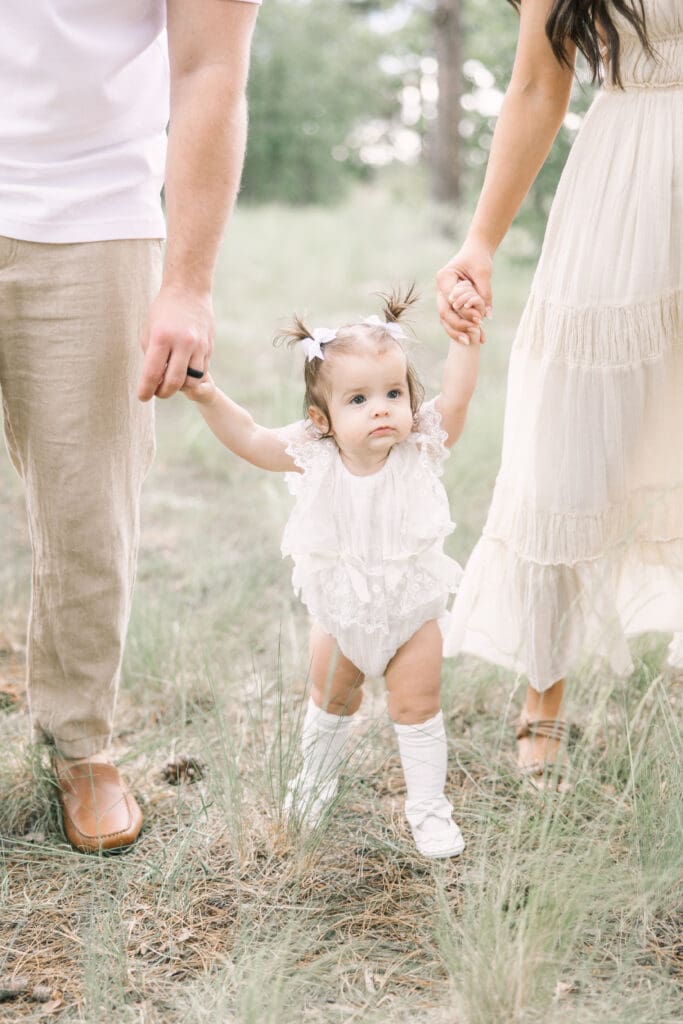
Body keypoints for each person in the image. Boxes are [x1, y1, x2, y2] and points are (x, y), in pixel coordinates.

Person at [0, 0, 260, 852]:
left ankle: (80, 748)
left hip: (91, 220)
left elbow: (209, 72)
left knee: (87, 507)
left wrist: (186, 284)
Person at [436, 0, 682, 785]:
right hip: (627, 179)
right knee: (572, 433)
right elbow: (539, 86)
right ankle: (543, 693)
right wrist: (480, 240)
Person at [182, 285, 483, 857]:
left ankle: (428, 809)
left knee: (418, 708)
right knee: (329, 701)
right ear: (321, 420)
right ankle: (314, 782)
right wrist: (207, 396)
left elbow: (459, 402)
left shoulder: (417, 447)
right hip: (342, 613)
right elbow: (250, 437)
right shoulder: (315, 451)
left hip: (411, 613)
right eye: (359, 399)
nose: (380, 408)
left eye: (393, 393)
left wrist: (464, 342)